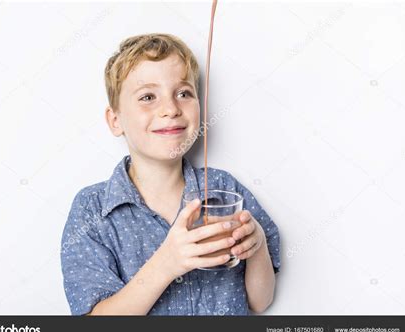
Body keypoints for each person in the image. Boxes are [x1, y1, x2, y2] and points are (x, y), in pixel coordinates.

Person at [61, 33, 280, 315]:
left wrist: (258, 244)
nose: (170, 109)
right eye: (148, 97)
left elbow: (259, 301)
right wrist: (167, 263)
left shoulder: (223, 187)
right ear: (115, 121)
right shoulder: (91, 209)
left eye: (184, 93)